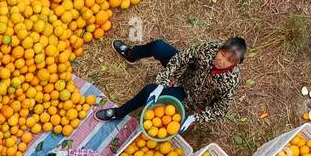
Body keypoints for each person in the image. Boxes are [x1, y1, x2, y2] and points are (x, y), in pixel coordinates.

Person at [96, 38, 247, 131]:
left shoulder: (230, 81)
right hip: (185, 72)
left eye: (228, 60)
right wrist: (164, 82)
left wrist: (195, 118)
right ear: (220, 48)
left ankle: (118, 113)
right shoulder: (210, 49)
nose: (221, 60)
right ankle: (131, 54)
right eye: (222, 54)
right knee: (158, 46)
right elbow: (182, 58)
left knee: (149, 91)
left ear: (235, 64)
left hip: (189, 95)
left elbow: (220, 109)